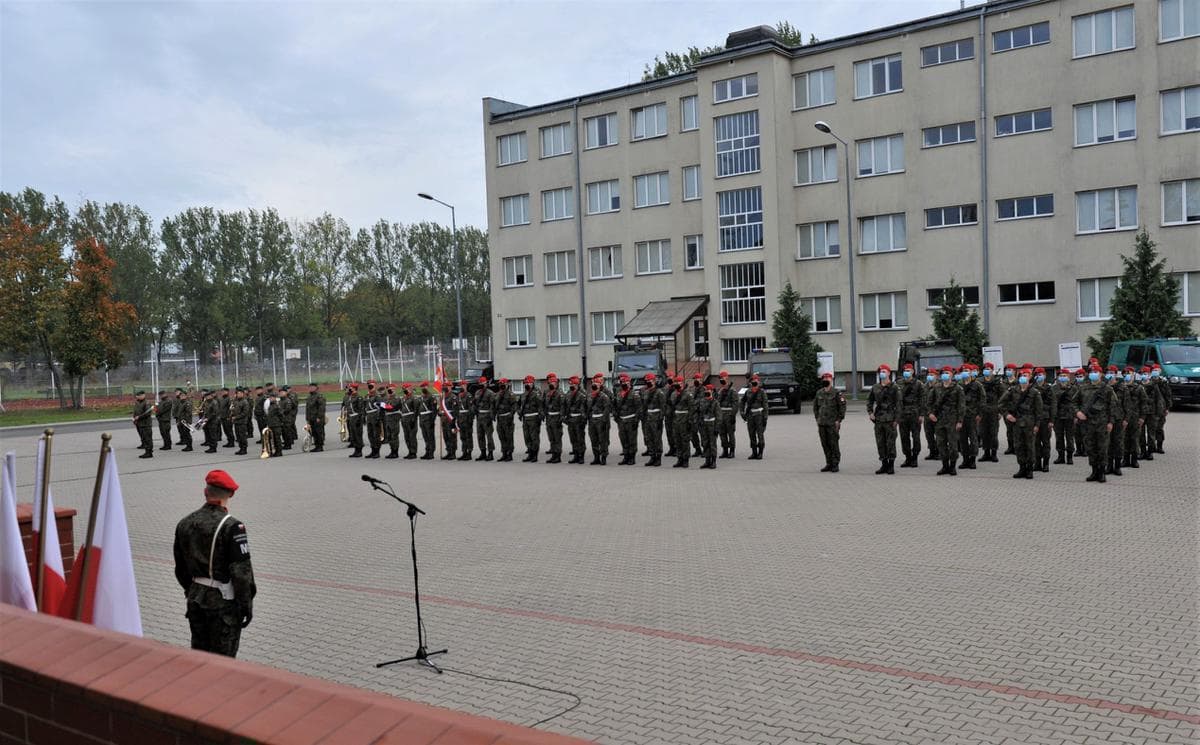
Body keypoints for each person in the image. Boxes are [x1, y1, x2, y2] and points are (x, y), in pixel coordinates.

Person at [173, 469, 256, 658]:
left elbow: (180, 567)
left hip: (195, 599)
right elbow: (241, 572)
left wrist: (192, 590)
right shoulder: (232, 526)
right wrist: (246, 605)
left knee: (200, 656)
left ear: (205, 492)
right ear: (230, 494)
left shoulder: (185, 523)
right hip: (223, 603)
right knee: (223, 661)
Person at [1000, 366, 1042, 479]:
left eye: (1025, 376)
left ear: (1030, 378)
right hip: (1017, 423)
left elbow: (1039, 411)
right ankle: (1021, 468)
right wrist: (1007, 415)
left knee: (1030, 446)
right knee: (1018, 446)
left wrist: (1037, 425)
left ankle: (1029, 469)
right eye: (1021, 376)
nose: (1023, 378)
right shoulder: (1013, 390)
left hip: (1029, 423)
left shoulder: (1035, 392)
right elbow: (1001, 403)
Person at [1076, 365, 1117, 483]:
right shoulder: (1083, 388)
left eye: (1096, 372)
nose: (1093, 374)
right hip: (1087, 423)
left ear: (1100, 374)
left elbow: (1112, 407)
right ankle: (1094, 471)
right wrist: (1077, 412)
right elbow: (1073, 402)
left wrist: (1110, 422)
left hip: (1102, 423)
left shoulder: (1108, 389)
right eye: (1091, 372)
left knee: (1102, 448)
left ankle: (1102, 472)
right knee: (1090, 447)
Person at [928, 366, 964, 476]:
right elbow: (929, 402)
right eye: (944, 373)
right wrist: (930, 414)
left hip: (952, 420)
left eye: (947, 372)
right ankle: (945, 466)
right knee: (941, 444)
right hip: (939, 421)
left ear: (952, 375)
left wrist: (960, 421)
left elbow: (961, 406)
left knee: (953, 445)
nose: (945, 374)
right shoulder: (936, 388)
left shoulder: (957, 389)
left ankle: (952, 466)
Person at [867, 365, 899, 475]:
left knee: (890, 443)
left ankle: (891, 465)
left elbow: (899, 404)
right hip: (879, 420)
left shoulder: (894, 387)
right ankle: (883, 464)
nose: (882, 373)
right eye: (881, 371)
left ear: (889, 373)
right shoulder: (875, 387)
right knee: (880, 442)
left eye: (884, 371)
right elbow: (870, 400)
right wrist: (870, 412)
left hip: (890, 419)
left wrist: (896, 419)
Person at [813, 372, 845, 472]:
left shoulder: (836, 393)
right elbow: (815, 407)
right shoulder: (819, 393)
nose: (826, 380)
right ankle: (829, 463)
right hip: (822, 423)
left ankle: (835, 463)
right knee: (825, 444)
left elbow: (842, 407)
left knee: (833, 443)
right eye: (824, 378)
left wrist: (839, 420)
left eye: (828, 378)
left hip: (832, 423)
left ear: (832, 380)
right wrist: (817, 418)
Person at [896, 364, 923, 468]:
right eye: (905, 370)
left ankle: (915, 458)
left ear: (913, 371)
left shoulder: (918, 384)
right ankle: (907, 457)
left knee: (916, 437)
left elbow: (922, 399)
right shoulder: (899, 383)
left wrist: (921, 414)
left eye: (908, 370)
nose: (906, 372)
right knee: (904, 437)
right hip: (902, 414)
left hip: (914, 414)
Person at [958, 365, 984, 470]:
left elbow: (982, 400)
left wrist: (980, 414)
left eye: (967, 371)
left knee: (973, 438)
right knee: (962, 439)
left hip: (972, 415)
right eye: (963, 371)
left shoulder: (977, 385)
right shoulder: (958, 385)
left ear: (971, 372)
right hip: (961, 416)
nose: (965, 372)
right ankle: (965, 459)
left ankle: (973, 459)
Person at [1050, 370, 1078, 464]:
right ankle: (1060, 456)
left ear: (1068, 377)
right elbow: (1052, 401)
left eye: (1064, 375)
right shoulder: (1054, 388)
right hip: (1058, 416)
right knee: (1059, 437)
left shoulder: (1074, 388)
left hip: (1070, 416)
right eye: (1061, 375)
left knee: (1070, 437)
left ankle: (1070, 456)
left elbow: (1077, 402)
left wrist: (1076, 416)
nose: (1063, 377)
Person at [1103, 365, 1127, 476]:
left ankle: (1117, 466)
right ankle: (1109, 465)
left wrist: (1126, 419)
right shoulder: (1103, 387)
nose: (1110, 374)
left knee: (1118, 442)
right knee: (1108, 443)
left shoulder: (1122, 388)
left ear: (1116, 374)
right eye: (1108, 372)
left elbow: (1127, 405)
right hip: (1106, 419)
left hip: (1118, 419)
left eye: (1112, 372)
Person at [613, 373, 641, 465]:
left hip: (631, 419)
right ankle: (626, 457)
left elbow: (639, 408)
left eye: (625, 382)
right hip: (621, 420)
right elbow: (615, 406)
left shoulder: (634, 394)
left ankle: (632, 458)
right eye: (622, 382)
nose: (623, 383)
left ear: (629, 383)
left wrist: (636, 420)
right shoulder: (618, 393)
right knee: (623, 439)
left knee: (632, 439)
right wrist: (615, 415)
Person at [1120, 367, 1145, 470]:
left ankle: (1134, 459)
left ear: (1133, 375)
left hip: (1135, 417)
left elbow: (1144, 403)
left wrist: (1142, 417)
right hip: (1123, 417)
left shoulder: (1139, 388)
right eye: (1125, 373)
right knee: (1124, 438)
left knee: (1134, 439)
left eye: (1129, 373)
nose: (1127, 375)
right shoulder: (1120, 387)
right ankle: (1125, 459)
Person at [978, 362, 1003, 462]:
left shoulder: (997, 382)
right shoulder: (979, 381)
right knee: (983, 433)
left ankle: (994, 453)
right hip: (983, 410)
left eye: (988, 369)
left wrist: (1000, 411)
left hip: (993, 410)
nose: (986, 370)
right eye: (985, 369)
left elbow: (1002, 397)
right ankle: (986, 453)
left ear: (992, 370)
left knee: (993, 432)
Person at [741, 374, 769, 459]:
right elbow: (742, 402)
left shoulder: (762, 392)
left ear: (758, 381)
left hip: (759, 416)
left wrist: (765, 417)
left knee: (760, 434)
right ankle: (754, 452)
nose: (753, 382)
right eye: (752, 381)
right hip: (750, 416)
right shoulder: (748, 392)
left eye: (755, 381)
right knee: (751, 434)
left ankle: (760, 453)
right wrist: (742, 412)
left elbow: (765, 405)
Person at [639, 373, 666, 467]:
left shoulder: (659, 392)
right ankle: (652, 456)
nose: (647, 383)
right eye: (646, 381)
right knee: (649, 437)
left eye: (649, 381)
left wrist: (660, 419)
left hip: (656, 417)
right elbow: (644, 406)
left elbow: (663, 407)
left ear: (654, 381)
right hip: (648, 418)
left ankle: (658, 458)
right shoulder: (646, 392)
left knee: (657, 438)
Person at [587, 373, 613, 465]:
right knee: (594, 439)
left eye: (597, 384)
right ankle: (596, 457)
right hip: (592, 421)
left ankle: (603, 457)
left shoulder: (604, 395)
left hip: (601, 420)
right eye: (593, 384)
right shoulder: (589, 396)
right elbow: (588, 408)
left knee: (603, 439)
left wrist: (604, 420)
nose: (594, 385)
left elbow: (607, 408)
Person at [1031, 368, 1052, 472]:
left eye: (1041, 374)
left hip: (1045, 418)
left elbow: (1053, 404)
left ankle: (1046, 463)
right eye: (1037, 374)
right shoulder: (1032, 388)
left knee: (1045, 442)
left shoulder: (1049, 388)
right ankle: (1037, 463)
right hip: (1034, 419)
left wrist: (1052, 420)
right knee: (1035, 442)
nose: (1039, 376)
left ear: (1044, 375)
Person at [517, 375, 543, 462]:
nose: (527, 384)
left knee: (534, 437)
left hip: (534, 417)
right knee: (527, 437)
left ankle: (535, 455)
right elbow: (518, 404)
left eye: (529, 383)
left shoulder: (537, 393)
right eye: (526, 383)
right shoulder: (523, 394)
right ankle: (530, 454)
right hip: (525, 418)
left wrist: (540, 416)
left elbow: (540, 405)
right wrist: (519, 412)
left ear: (533, 383)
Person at [670, 375, 693, 468]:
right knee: (677, 439)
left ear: (682, 383)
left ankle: (686, 459)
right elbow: (673, 406)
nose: (677, 385)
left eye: (679, 383)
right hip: (676, 419)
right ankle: (679, 458)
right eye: (676, 383)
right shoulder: (674, 394)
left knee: (685, 440)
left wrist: (690, 421)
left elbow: (692, 408)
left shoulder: (688, 394)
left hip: (685, 418)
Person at [715, 371, 739, 459]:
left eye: (723, 378)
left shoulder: (732, 390)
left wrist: (733, 415)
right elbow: (717, 403)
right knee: (722, 433)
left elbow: (736, 404)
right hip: (721, 414)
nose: (721, 380)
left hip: (729, 414)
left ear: (726, 378)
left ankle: (732, 451)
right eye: (720, 378)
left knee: (730, 433)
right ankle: (725, 450)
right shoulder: (720, 390)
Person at [541, 374, 564, 463]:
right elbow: (543, 404)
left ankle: (558, 456)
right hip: (549, 417)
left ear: (557, 383)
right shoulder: (547, 392)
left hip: (556, 416)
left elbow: (562, 406)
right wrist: (543, 413)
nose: (552, 383)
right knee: (551, 437)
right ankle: (553, 455)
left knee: (557, 437)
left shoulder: (560, 393)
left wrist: (561, 417)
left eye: (554, 382)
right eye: (550, 382)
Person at [566, 376, 588, 464]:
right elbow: (565, 406)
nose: (572, 385)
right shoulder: (568, 394)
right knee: (573, 439)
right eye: (571, 384)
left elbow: (585, 407)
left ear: (578, 384)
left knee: (580, 439)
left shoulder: (582, 394)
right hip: (571, 419)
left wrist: (584, 419)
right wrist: (565, 417)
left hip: (579, 419)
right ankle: (575, 455)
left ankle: (581, 456)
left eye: (573, 384)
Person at [1149, 364, 1171, 453]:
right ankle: (1151, 446)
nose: (1156, 372)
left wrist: (1167, 408)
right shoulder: (1148, 381)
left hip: (1161, 408)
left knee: (1160, 428)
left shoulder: (1163, 382)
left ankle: (1159, 446)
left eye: (1157, 370)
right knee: (1152, 429)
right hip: (1151, 409)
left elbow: (1168, 395)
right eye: (1154, 370)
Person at [696, 383, 719, 469]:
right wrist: (699, 423)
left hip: (712, 424)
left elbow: (718, 416)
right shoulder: (702, 401)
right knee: (705, 443)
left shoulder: (715, 402)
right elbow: (700, 413)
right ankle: (707, 460)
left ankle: (713, 461)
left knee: (712, 443)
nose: (706, 392)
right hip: (704, 425)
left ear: (712, 391)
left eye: (708, 390)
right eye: (705, 390)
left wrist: (717, 428)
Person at [474, 377, 496, 461]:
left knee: (489, 435)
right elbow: (475, 403)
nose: (481, 385)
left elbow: (492, 406)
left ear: (486, 383)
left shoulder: (490, 393)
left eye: (482, 383)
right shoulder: (477, 392)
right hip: (479, 416)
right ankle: (483, 453)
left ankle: (490, 453)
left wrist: (491, 416)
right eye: (480, 384)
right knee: (480, 435)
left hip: (487, 416)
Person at [495, 378, 517, 461]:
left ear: (507, 384)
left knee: (509, 437)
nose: (502, 385)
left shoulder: (510, 394)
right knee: (501, 436)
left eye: (503, 383)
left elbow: (514, 406)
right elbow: (494, 405)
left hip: (507, 417)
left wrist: (511, 415)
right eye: (500, 384)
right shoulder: (497, 394)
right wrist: (493, 414)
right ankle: (504, 453)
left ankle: (510, 454)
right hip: (500, 418)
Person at [454, 381, 475, 461]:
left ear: (466, 386)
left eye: (463, 385)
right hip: (461, 419)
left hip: (467, 418)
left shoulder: (469, 395)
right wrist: (457, 419)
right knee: (462, 437)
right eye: (461, 385)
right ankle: (464, 452)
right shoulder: (458, 396)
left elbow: (471, 409)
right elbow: (456, 409)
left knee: (468, 436)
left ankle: (469, 453)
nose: (462, 386)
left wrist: (470, 419)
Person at [921, 368, 939, 461]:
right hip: (927, 414)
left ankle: (939, 452)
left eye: (932, 375)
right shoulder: (924, 387)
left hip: (937, 415)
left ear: (936, 376)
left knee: (939, 435)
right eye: (929, 375)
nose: (930, 376)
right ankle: (932, 452)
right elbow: (922, 400)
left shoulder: (939, 386)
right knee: (929, 434)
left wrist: (934, 412)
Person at [398, 383, 420, 459]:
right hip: (404, 420)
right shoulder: (403, 398)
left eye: (405, 389)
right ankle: (410, 451)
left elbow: (416, 410)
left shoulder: (414, 398)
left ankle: (413, 452)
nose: (404, 391)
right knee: (406, 436)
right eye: (403, 390)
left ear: (409, 389)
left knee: (412, 436)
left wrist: (414, 419)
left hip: (411, 419)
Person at [131, 391, 155, 458]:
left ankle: (149, 452)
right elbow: (135, 411)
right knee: (144, 437)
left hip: (146, 423)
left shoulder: (146, 403)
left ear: (143, 395)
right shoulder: (137, 402)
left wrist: (139, 417)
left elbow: (147, 413)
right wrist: (134, 418)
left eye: (139, 395)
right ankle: (147, 451)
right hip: (140, 423)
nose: (137, 396)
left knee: (148, 438)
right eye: (137, 395)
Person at [438, 381, 458, 460]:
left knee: (452, 436)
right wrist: (439, 412)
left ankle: (453, 453)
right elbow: (440, 407)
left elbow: (455, 409)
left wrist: (454, 420)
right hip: (444, 419)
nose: (445, 388)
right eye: (444, 386)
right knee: (446, 436)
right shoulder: (442, 397)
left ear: (450, 387)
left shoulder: (453, 397)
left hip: (450, 419)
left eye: (446, 386)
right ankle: (448, 452)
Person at [343, 383, 364, 458]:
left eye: (350, 388)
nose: (349, 389)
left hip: (356, 417)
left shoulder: (359, 397)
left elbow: (361, 409)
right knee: (353, 435)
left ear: (354, 388)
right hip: (351, 417)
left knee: (358, 434)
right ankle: (356, 450)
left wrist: (359, 419)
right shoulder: (350, 397)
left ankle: (359, 451)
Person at [306, 383, 327, 453]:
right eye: (310, 387)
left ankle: (320, 446)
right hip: (311, 418)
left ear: (316, 388)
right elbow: (307, 409)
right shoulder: (309, 397)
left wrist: (319, 417)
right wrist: (307, 419)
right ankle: (316, 446)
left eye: (313, 387)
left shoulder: (319, 396)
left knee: (318, 432)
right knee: (314, 432)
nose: (311, 388)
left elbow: (322, 408)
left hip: (317, 418)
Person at [231, 387, 252, 455]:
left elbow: (245, 413)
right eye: (237, 393)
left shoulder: (245, 402)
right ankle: (241, 448)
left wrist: (236, 417)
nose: (239, 394)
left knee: (242, 436)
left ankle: (244, 449)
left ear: (243, 394)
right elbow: (233, 410)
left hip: (242, 422)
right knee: (238, 436)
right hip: (236, 422)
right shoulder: (235, 401)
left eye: (240, 393)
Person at [263, 391, 284, 457]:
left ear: (275, 398)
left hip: (276, 425)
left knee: (277, 439)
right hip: (271, 424)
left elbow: (281, 415)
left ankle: (279, 452)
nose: (271, 398)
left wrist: (280, 422)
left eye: (272, 397)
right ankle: (274, 451)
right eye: (270, 397)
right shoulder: (270, 406)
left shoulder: (277, 406)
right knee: (272, 439)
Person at [173, 388, 194, 452]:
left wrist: (185, 421)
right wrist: (179, 421)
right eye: (181, 396)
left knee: (187, 434)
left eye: (183, 395)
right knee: (184, 433)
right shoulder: (181, 403)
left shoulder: (187, 403)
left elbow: (188, 413)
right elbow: (179, 413)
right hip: (182, 421)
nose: (181, 397)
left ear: (186, 396)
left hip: (186, 421)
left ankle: (189, 446)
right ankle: (187, 445)